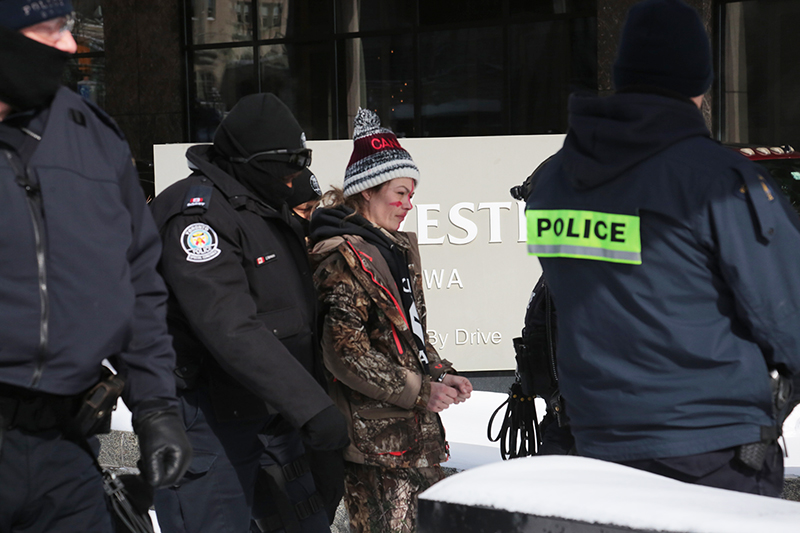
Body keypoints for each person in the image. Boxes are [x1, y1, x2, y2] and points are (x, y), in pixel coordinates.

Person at [525, 0, 800, 497]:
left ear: (623, 72)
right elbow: (789, 316)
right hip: (711, 454)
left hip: (594, 447)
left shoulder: (555, 182)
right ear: (700, 79)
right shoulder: (720, 181)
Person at [0, 2, 192, 532]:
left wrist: (155, 408)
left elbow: (138, 281)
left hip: (70, 443)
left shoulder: (91, 133)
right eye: (49, 29)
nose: (69, 45)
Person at [149, 93, 349, 533]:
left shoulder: (260, 208)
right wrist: (311, 407)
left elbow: (293, 313)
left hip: (271, 415)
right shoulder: (196, 217)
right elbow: (231, 326)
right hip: (207, 420)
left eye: (304, 158)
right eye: (290, 161)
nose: (298, 171)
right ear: (251, 160)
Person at [309, 108, 473, 532]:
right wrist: (422, 392)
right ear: (367, 191)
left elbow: (409, 336)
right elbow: (345, 354)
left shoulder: (394, 248)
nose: (407, 204)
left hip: (410, 435)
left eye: (411, 194)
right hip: (376, 443)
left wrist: (441, 372)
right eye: (399, 193)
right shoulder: (343, 257)